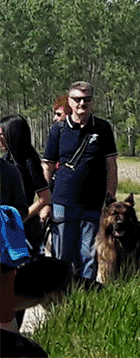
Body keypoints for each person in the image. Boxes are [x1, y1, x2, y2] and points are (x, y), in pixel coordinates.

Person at [42, 81, 118, 281]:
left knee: (88, 258)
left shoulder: (103, 128)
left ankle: (86, 302)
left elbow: (111, 166)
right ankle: (62, 304)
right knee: (62, 259)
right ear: (69, 101)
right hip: (62, 204)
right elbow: (48, 166)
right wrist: (45, 202)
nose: (81, 103)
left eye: (86, 99)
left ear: (92, 102)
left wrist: (110, 199)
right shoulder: (57, 130)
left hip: (93, 205)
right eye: (77, 99)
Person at [0, 115, 51, 256]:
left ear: (13, 135)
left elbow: (45, 197)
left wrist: (20, 218)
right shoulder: (6, 160)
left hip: (26, 227)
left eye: (2, 135)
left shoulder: (30, 162)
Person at [0, 157, 29, 334]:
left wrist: (4, 215)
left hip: (2, 259)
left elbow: (22, 210)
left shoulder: (9, 171)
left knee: (4, 316)